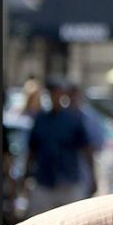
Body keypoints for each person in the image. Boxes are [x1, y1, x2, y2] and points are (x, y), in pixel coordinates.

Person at [24, 80, 95, 217]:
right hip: (44, 180)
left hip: (68, 180)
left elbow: (87, 149)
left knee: (72, 222)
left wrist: (92, 176)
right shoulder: (41, 119)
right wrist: (26, 174)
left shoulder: (73, 119)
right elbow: (32, 149)